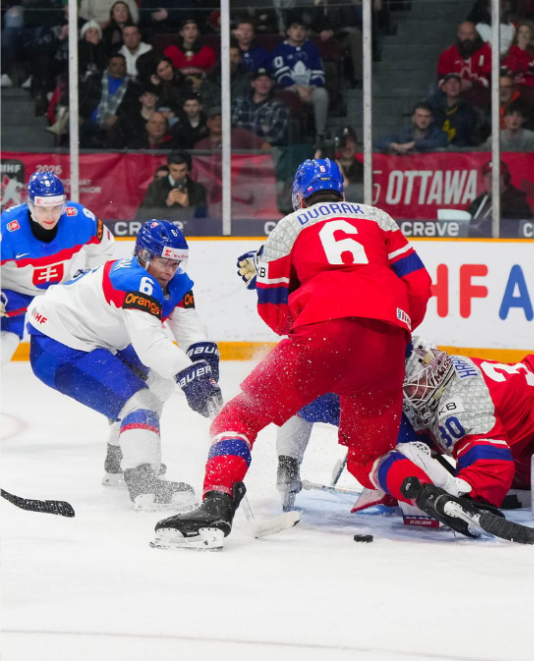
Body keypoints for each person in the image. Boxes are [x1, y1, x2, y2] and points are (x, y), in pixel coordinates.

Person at [152, 160, 433, 550]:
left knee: (238, 416)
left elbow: (274, 311)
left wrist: (308, 323)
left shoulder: (290, 226)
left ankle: (215, 504)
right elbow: (419, 285)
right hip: (387, 342)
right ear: (341, 190)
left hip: (322, 338)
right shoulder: (379, 219)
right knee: (369, 456)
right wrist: (395, 325)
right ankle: (430, 496)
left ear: (298, 196)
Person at [26, 220, 221, 510]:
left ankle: (118, 461)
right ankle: (144, 484)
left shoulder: (175, 282)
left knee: (162, 380)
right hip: (59, 344)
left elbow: (190, 330)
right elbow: (151, 344)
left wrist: (203, 363)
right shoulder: (133, 281)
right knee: (139, 402)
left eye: (176, 262)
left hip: (99, 336)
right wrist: (191, 377)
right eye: (164, 261)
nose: (171, 270)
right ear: (144, 255)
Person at [398, 337, 534, 507]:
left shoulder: (461, 400)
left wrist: (464, 495)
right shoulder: (426, 393)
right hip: (521, 438)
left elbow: (491, 467)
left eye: (411, 385)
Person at [1, 172, 114, 365]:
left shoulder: (78, 218)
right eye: (42, 209)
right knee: (9, 337)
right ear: (30, 205)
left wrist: (88, 279)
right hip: (13, 292)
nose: (50, 215)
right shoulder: (8, 228)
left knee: (99, 329)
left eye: (56, 208)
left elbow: (105, 246)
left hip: (58, 292)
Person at [272, 16, 330, 138]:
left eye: (302, 29)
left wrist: (309, 89)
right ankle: (288, 135)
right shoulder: (280, 49)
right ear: (288, 31)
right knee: (288, 94)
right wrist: (298, 88)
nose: (298, 32)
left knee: (322, 94)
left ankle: (320, 134)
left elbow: (318, 72)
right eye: (295, 28)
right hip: (290, 87)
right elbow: (281, 75)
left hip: (310, 88)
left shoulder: (312, 49)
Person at [137, 151, 209, 220]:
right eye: (174, 170)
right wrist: (166, 203)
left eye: (182, 170)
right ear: (169, 167)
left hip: (189, 231)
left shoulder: (198, 189)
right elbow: (144, 215)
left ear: (188, 169)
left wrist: (187, 206)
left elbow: (203, 219)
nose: (178, 175)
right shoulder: (155, 187)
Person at [436, 22, 492, 108]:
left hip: (480, 99)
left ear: (476, 35)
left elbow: (490, 78)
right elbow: (441, 80)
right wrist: (454, 84)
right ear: (458, 35)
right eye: (464, 34)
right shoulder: (447, 54)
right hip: (454, 99)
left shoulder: (488, 52)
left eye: (471, 34)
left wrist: (472, 84)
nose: (467, 37)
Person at [231, 68, 290, 147]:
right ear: (253, 84)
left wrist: (245, 135)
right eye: (259, 80)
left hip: (265, 153)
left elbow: (276, 136)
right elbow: (229, 128)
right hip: (237, 150)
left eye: (267, 80)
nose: (263, 83)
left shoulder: (279, 107)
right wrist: (261, 129)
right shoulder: (239, 102)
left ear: (272, 84)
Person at [467, 160, 533, 226]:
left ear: (505, 179)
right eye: (487, 176)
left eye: (495, 176)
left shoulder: (517, 202)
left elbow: (514, 228)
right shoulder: (480, 201)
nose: (491, 180)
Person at [427, 73, 481, 148]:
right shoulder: (436, 108)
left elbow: (471, 136)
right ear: (444, 88)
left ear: (461, 87)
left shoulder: (469, 110)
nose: (453, 85)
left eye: (456, 82)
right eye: (449, 83)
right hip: (438, 149)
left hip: (462, 150)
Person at [375, 102, 449, 155]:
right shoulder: (403, 134)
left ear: (431, 119)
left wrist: (414, 144)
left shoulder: (438, 134)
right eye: (419, 116)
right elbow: (379, 142)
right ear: (413, 118)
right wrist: (392, 145)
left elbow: (441, 142)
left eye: (426, 116)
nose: (423, 120)